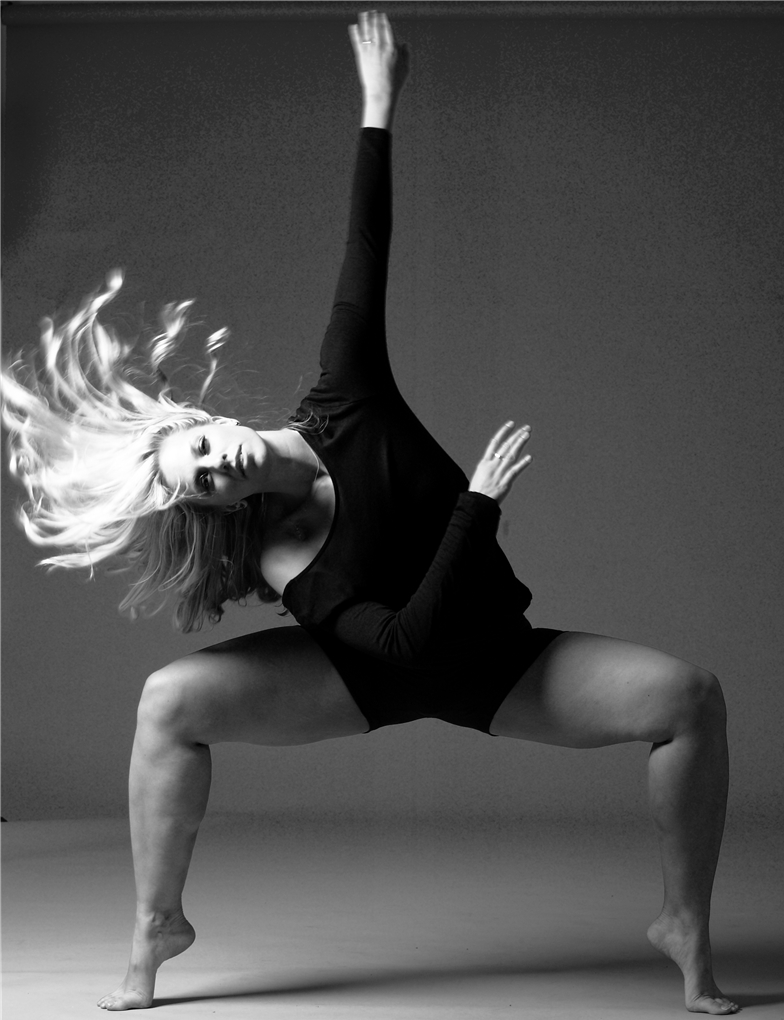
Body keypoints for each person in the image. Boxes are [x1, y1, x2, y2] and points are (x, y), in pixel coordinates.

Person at [1, 12, 738, 1016]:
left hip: (493, 661)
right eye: (203, 484)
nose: (216, 464)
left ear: (206, 418)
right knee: (168, 702)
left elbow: (364, 246)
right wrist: (475, 507)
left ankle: (684, 924)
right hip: (367, 678)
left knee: (690, 698)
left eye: (201, 447)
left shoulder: (347, 394)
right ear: (216, 506)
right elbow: (399, 646)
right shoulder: (283, 556)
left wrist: (377, 106)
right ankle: (155, 925)